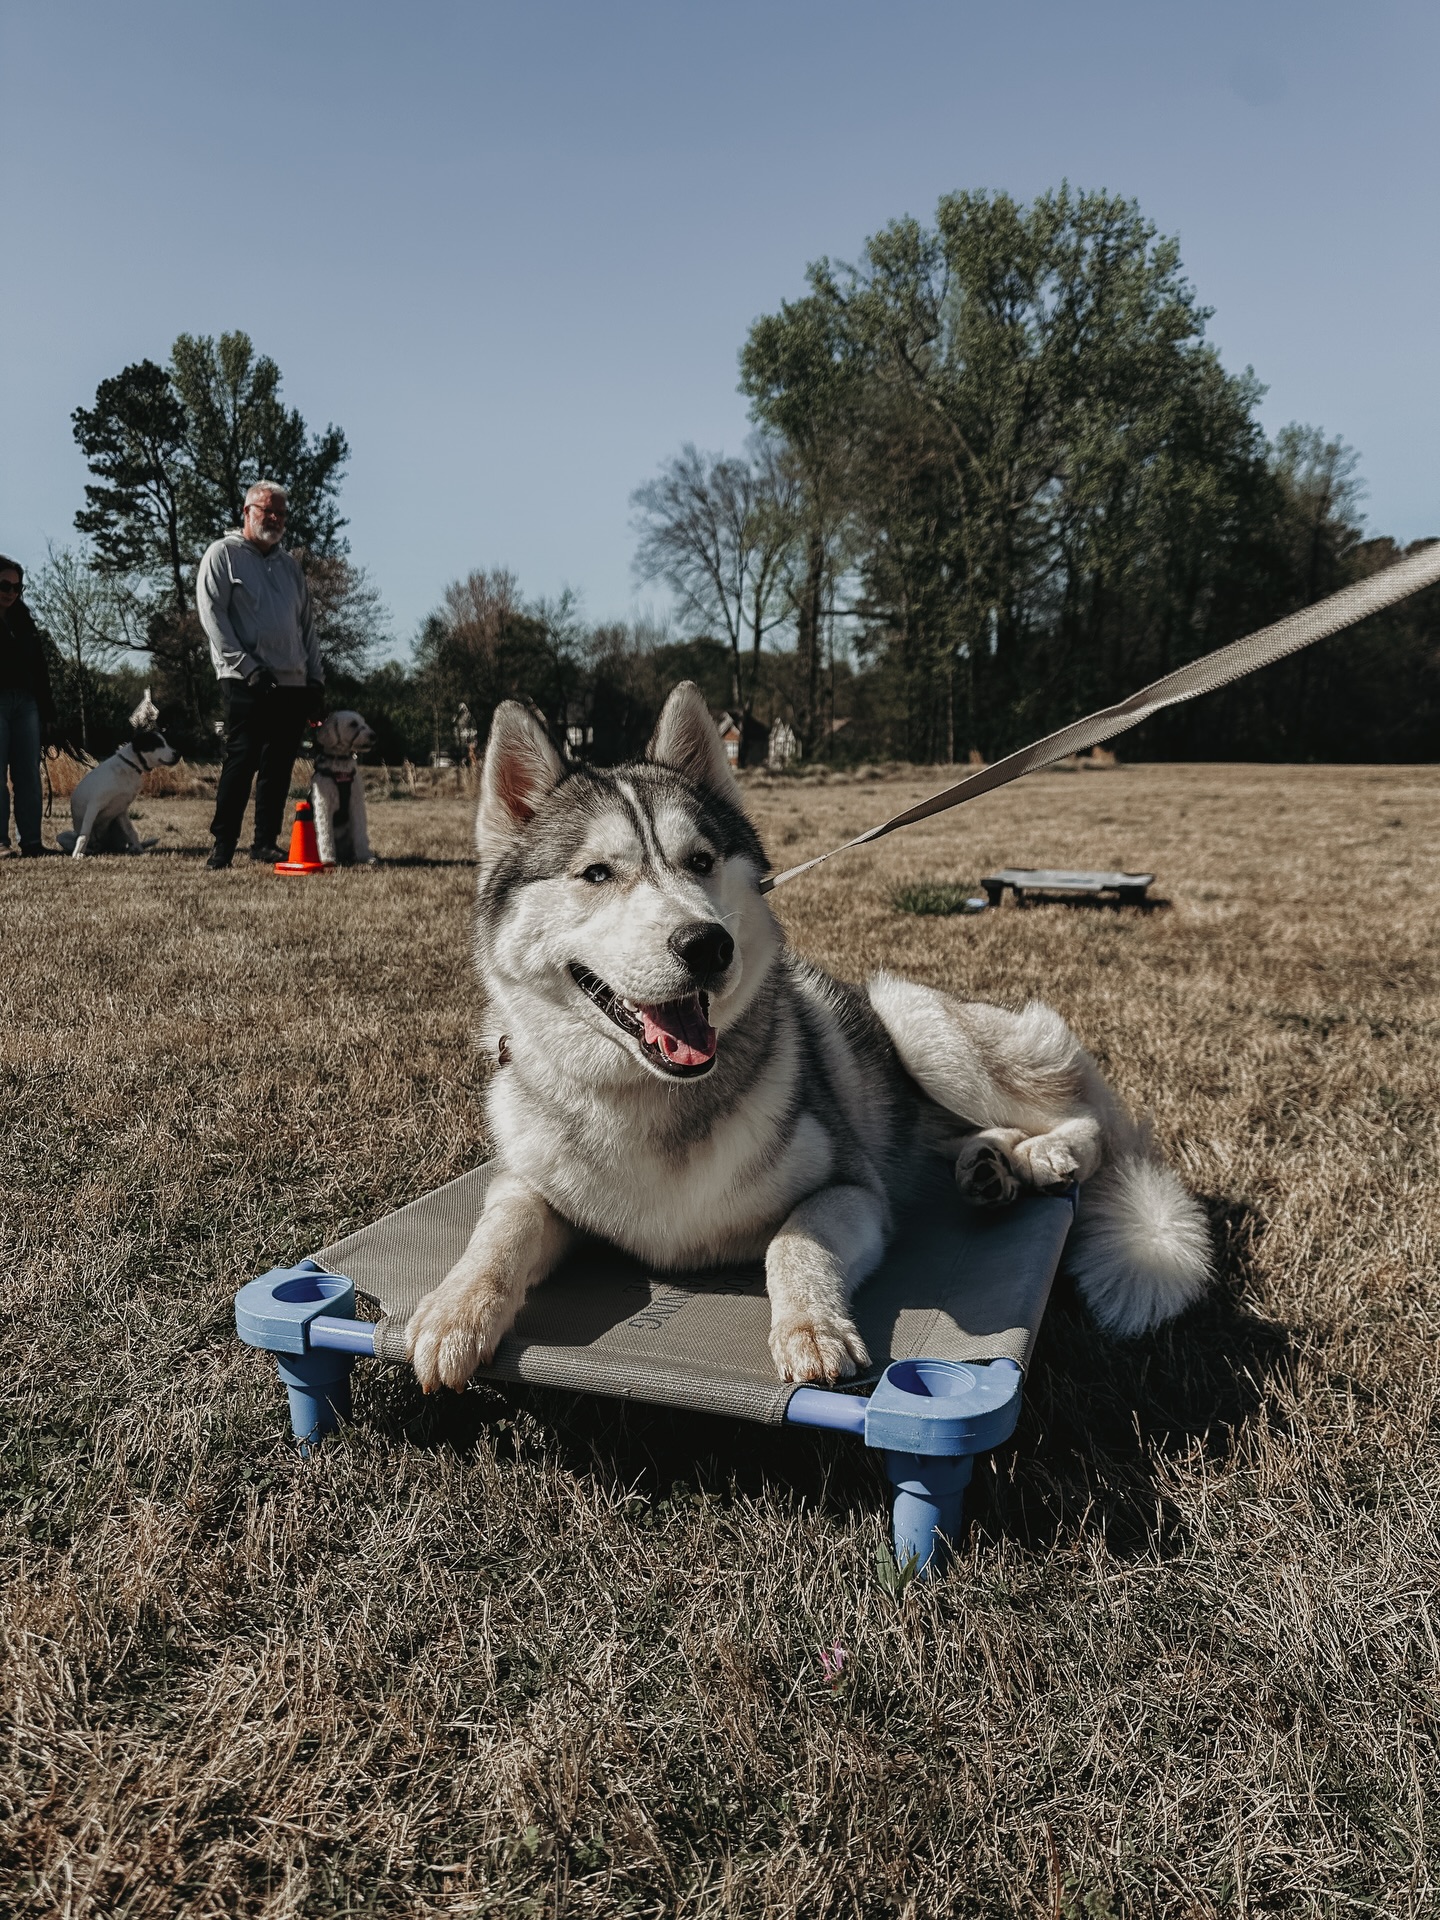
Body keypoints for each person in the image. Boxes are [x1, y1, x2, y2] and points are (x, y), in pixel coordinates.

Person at [196, 482, 325, 869]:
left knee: (279, 764)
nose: (274, 519)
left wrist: (315, 679)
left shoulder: (289, 566)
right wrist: (247, 668)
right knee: (243, 758)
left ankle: (265, 842)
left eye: (281, 514)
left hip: (292, 680)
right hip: (245, 679)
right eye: (267, 511)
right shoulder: (222, 555)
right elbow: (213, 618)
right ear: (246, 511)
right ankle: (223, 845)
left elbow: (306, 626)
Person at [0, 554, 59, 857]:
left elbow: (40, 668)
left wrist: (48, 714)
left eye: (16, 587)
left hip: (26, 703)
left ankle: (32, 843)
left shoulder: (24, 621)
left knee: (28, 775)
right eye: (4, 585)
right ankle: (0, 843)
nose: (10, 592)